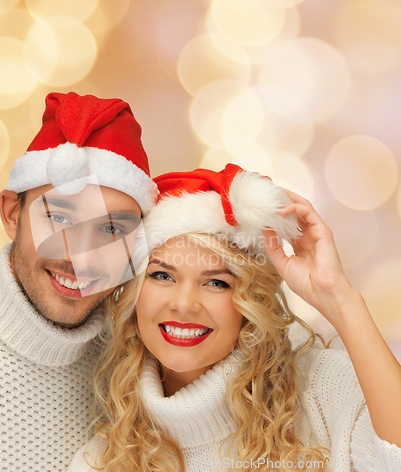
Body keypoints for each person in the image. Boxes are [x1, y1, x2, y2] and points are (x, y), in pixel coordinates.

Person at [68, 164, 401, 472]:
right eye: (162, 276)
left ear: (249, 301)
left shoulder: (321, 388)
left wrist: (339, 298)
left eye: (216, 282)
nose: (184, 304)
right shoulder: (102, 460)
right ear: (134, 293)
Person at [0, 91, 158, 470]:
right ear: (11, 213)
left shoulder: (130, 365)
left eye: (109, 228)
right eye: (60, 218)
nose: (79, 257)